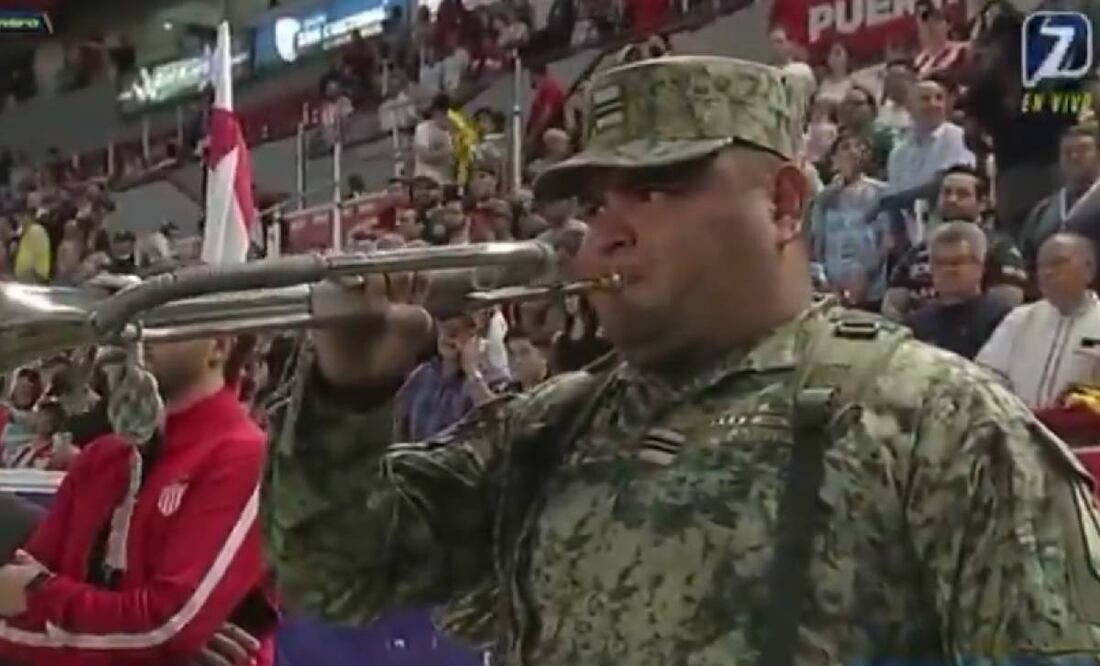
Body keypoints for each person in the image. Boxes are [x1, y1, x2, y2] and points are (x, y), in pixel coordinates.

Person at [263, 56, 1100, 666]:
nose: (604, 232)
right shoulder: (553, 427)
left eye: (657, 189)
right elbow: (337, 579)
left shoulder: (939, 424)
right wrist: (348, 392)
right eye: (595, 203)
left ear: (781, 204)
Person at [0, 335, 276, 665]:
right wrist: (140, 637)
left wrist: (43, 594)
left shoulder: (244, 455)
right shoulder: (100, 457)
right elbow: (9, 595)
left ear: (218, 346)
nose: (139, 332)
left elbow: (166, 625)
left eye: (166, 320)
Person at [977, 232, 1100, 410]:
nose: (1047, 272)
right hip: (1022, 429)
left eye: (1058, 263)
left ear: (1089, 269)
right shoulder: (1019, 319)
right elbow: (987, 375)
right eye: (1041, 266)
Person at [903, 221, 1011, 360]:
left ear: (980, 267)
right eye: (940, 263)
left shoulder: (1002, 320)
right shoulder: (915, 324)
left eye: (957, 262)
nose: (948, 270)